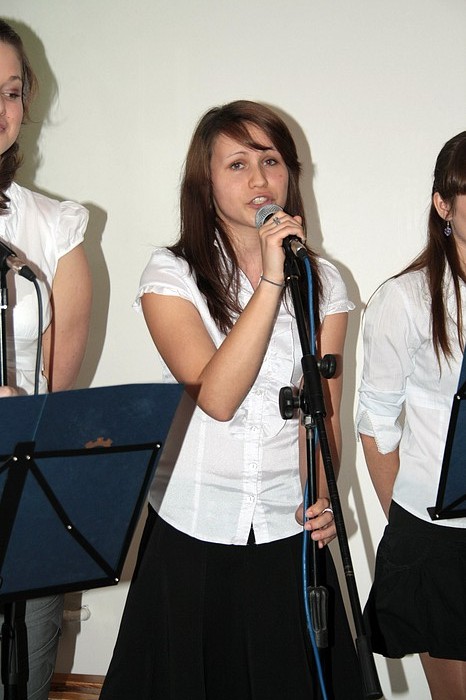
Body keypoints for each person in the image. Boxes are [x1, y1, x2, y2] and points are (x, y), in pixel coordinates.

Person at [100, 100, 362, 700]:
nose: (259, 178)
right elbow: (215, 397)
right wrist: (270, 280)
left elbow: (322, 412)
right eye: (237, 164)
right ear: (206, 182)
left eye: (271, 161)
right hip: (194, 524)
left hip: (285, 526)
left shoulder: (323, 281)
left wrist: (322, 494)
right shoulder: (171, 274)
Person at [0, 18, 92, 700]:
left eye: (10, 92)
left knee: (24, 675)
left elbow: (58, 391)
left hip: (18, 489)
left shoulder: (54, 227)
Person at [356, 131, 466, 700]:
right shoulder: (405, 299)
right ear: (443, 205)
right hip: (437, 538)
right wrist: (407, 528)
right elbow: (376, 423)